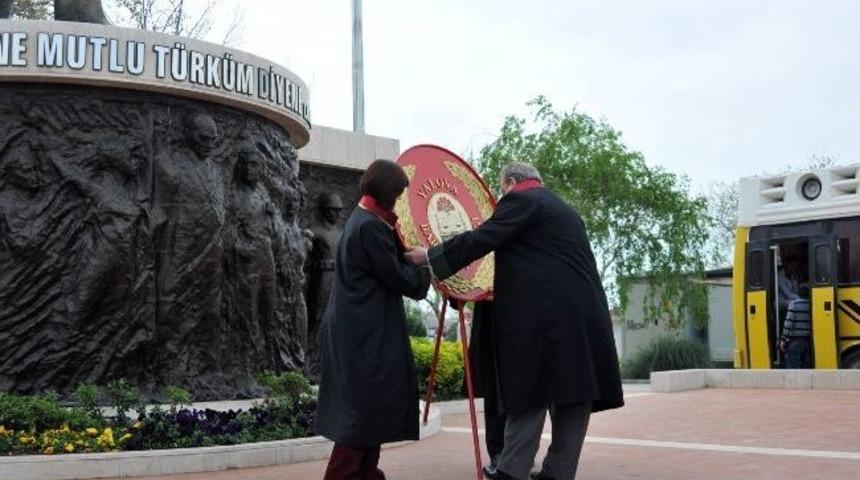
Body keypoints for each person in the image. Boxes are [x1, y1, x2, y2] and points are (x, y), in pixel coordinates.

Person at [405, 161, 624, 480]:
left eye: (501, 187)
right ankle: (558, 473)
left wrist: (431, 257)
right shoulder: (563, 209)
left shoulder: (521, 199)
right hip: (585, 315)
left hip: (546, 320)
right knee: (575, 392)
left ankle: (511, 470)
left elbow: (483, 238)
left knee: (530, 390)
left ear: (511, 181)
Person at [315, 159, 431, 480]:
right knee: (360, 413)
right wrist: (425, 265)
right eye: (397, 192)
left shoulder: (365, 219)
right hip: (364, 334)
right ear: (385, 191)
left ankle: (366, 473)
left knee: (370, 408)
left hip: (361, 329)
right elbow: (401, 280)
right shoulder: (370, 226)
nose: (399, 199)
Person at [779, 285, 812, 368]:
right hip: (808, 339)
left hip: (796, 339)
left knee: (793, 365)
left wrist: (783, 339)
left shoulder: (794, 304)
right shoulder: (812, 304)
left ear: (798, 293)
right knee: (807, 365)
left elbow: (788, 323)